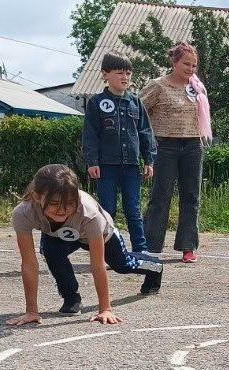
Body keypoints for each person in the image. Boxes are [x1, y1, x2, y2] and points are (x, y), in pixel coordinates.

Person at [7, 164, 163, 327]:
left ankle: (155, 265)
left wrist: (105, 309)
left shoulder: (89, 212)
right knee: (51, 252)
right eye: (54, 203)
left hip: (100, 233)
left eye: (69, 203)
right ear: (37, 196)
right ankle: (71, 298)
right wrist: (31, 311)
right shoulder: (23, 213)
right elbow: (29, 263)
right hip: (58, 235)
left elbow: (97, 264)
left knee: (122, 264)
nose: (62, 210)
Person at [141, 42, 212, 263]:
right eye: (186, 64)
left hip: (193, 145)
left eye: (194, 65)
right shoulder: (158, 85)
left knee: (191, 196)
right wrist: (145, 140)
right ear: (174, 62)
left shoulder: (198, 87)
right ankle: (150, 246)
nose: (191, 69)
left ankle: (188, 247)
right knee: (161, 196)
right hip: (165, 146)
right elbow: (136, 109)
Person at [82, 52, 156, 254]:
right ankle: (109, 250)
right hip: (106, 166)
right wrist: (92, 161)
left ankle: (141, 250)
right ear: (105, 74)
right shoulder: (96, 103)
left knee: (133, 210)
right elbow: (90, 135)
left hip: (131, 166)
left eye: (129, 73)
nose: (125, 77)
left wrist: (149, 159)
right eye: (119, 72)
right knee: (108, 210)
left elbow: (145, 131)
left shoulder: (135, 102)